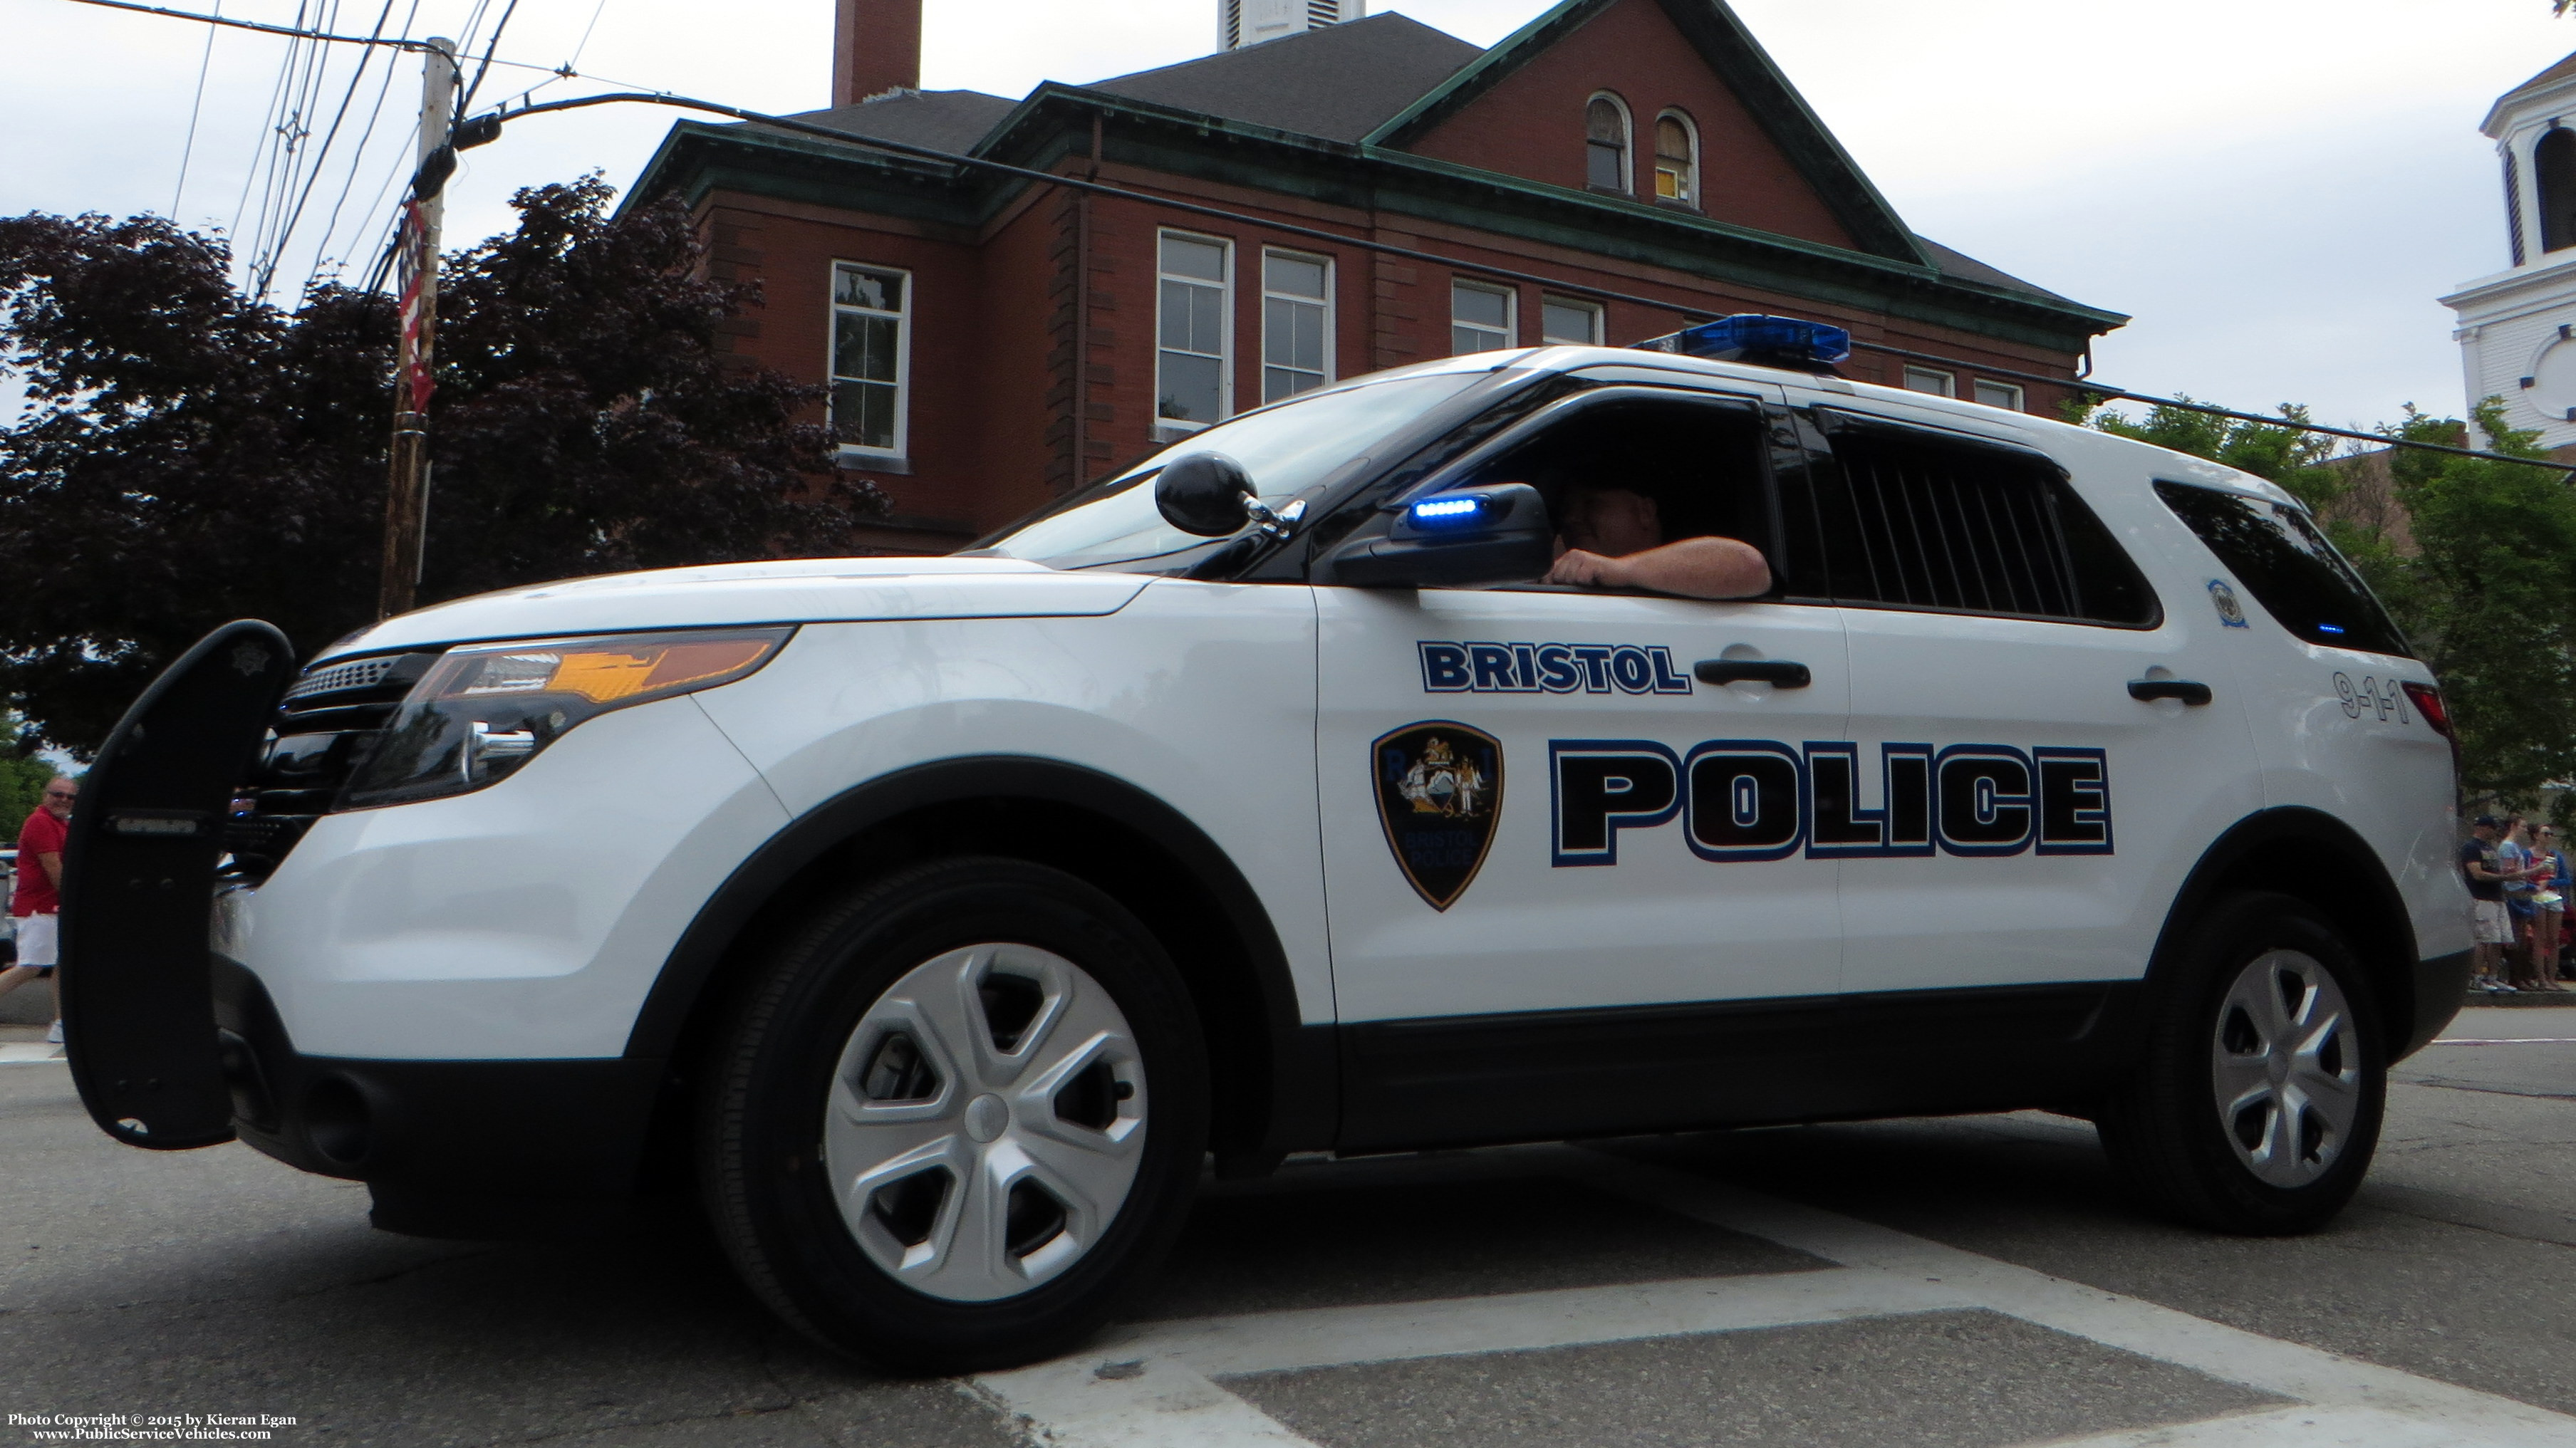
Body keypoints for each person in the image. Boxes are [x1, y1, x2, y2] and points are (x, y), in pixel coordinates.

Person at [1545, 484, 1772, 600]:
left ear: (1645, 511)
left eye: (1590, 504)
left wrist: (1616, 569)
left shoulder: (1704, 567)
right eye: (1565, 511)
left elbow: (1750, 566)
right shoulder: (1546, 581)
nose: (1571, 518)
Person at [0, 776, 75, 1043]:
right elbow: (53, 867)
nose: (63, 800)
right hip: (38, 907)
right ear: (46, 796)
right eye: (58, 794)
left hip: (51, 907)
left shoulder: (60, 825)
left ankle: (61, 1023)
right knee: (31, 966)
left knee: (63, 964)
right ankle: (61, 1023)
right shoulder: (41, 822)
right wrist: (74, 900)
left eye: (69, 797)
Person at [2501, 816, 2545, 991]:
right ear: (2513, 826)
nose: (2525, 830)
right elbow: (2509, 872)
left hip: (2522, 891)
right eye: (2523, 827)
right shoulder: (2507, 847)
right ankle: (2515, 976)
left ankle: (2524, 975)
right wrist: (2536, 870)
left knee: (2524, 937)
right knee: (2517, 936)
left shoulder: (2515, 847)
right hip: (2513, 893)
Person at [2536, 825, 2572, 989]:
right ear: (2536, 836)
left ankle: (2552, 977)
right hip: (2536, 896)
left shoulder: (2555, 856)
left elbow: (2566, 879)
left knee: (2554, 938)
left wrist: (2550, 882)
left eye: (2551, 834)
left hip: (2553, 897)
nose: (2549, 837)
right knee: (2540, 938)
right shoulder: (2529, 854)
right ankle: (2541, 978)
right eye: (2545, 834)